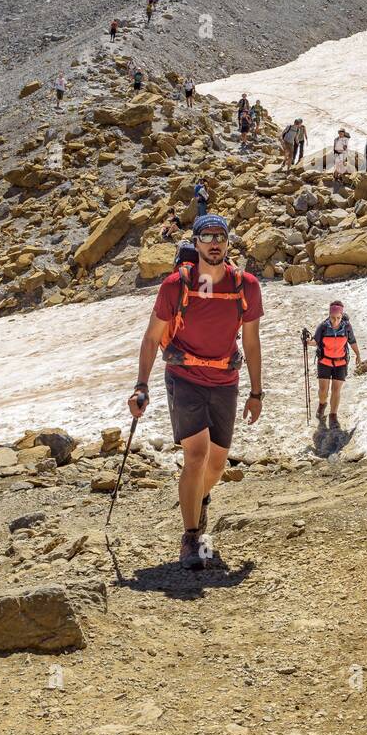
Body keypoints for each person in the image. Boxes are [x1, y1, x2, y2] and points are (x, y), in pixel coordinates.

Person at [128, 213, 264, 569]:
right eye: (207, 236)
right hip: (184, 376)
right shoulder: (176, 286)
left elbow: (251, 342)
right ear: (196, 243)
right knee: (198, 454)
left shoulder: (245, 286)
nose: (214, 242)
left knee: (217, 464)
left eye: (220, 236)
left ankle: (197, 502)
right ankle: (191, 538)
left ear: (228, 243)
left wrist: (257, 392)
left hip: (225, 380)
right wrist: (141, 385)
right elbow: (151, 337)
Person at [314, 301, 361, 431]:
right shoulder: (323, 327)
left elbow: (352, 341)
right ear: (329, 315)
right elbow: (315, 341)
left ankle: (333, 415)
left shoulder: (346, 327)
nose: (335, 321)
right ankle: (322, 404)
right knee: (323, 391)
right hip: (325, 361)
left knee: (336, 390)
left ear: (341, 315)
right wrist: (307, 342)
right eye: (332, 317)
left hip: (341, 362)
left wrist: (358, 354)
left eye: (338, 318)